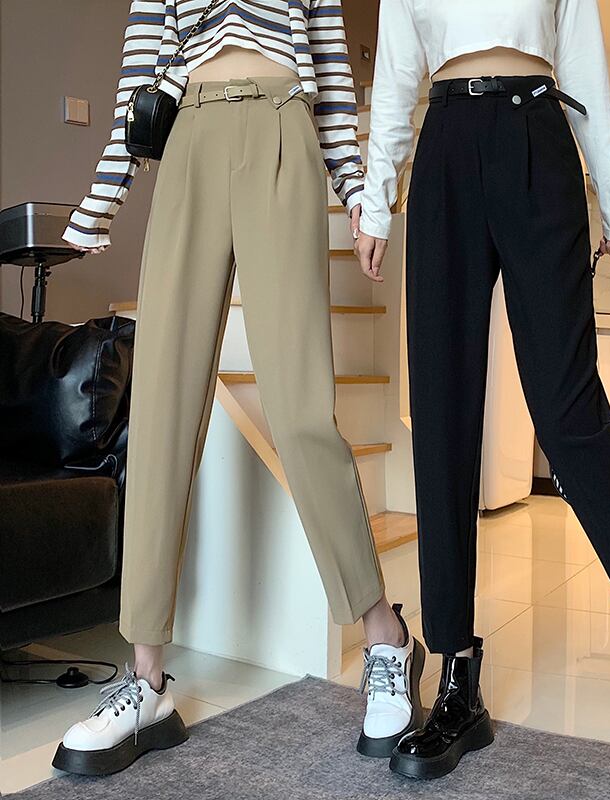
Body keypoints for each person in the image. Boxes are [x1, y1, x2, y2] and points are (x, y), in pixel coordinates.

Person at [356, 0, 610, 791]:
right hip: (444, 143)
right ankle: (458, 680)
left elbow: (584, 59)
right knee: (442, 420)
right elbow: (395, 72)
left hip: (537, 133)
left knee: (569, 417)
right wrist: (376, 193)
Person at [52, 0, 424, 776]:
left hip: (284, 127)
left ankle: (386, 637)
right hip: (189, 136)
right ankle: (146, 682)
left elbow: (330, 75)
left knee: (299, 408)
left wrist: (358, 190)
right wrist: (105, 193)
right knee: (160, 408)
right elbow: (144, 70)